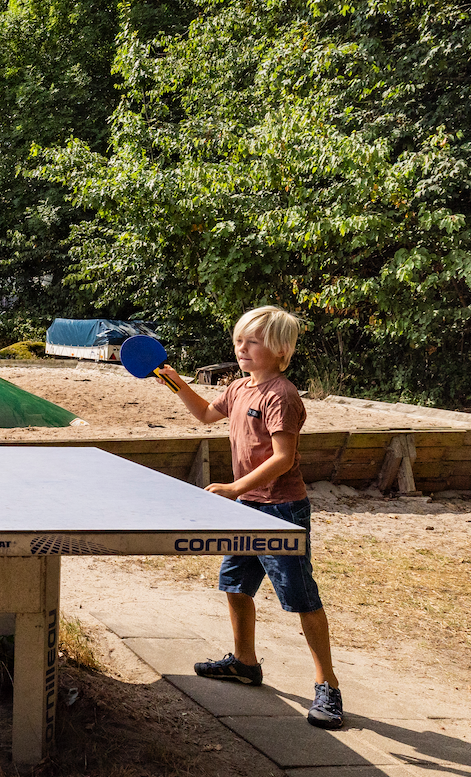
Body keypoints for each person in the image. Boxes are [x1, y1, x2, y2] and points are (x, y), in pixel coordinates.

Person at [156, 305, 344, 730]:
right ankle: (244, 662)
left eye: (252, 341)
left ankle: (327, 685)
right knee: (235, 584)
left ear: (280, 350)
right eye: (238, 339)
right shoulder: (240, 389)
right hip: (247, 507)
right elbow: (205, 414)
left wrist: (234, 489)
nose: (241, 347)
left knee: (300, 598)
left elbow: (283, 458)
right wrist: (173, 382)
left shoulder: (282, 395)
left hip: (280, 509)